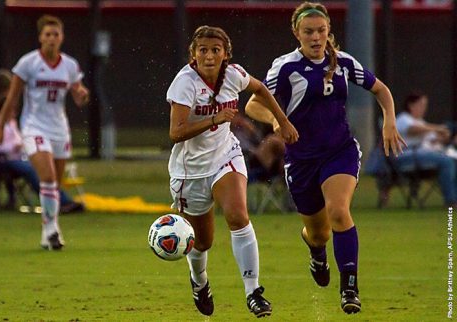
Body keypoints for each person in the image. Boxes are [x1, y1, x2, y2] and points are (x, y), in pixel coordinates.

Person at [245, 2, 405, 314]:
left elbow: (381, 90)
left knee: (338, 211)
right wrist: (276, 120)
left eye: (321, 31)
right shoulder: (285, 67)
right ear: (297, 33)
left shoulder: (343, 62)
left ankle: (349, 287)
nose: (316, 37)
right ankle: (316, 251)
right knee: (318, 232)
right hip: (302, 159)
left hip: (339, 151)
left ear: (329, 30)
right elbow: (253, 104)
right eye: (309, 32)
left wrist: (390, 121)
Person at [166, 25, 298, 317]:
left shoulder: (234, 74)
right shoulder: (184, 83)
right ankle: (199, 282)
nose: (209, 56)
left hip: (226, 157)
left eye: (216, 50)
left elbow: (261, 88)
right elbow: (175, 133)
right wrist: (214, 118)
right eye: (203, 50)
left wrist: (282, 121)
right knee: (202, 242)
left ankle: (253, 292)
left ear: (226, 54)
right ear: (193, 55)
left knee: (238, 216)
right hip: (190, 171)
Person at [0, 15, 89, 250]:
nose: (52, 39)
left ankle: (51, 232)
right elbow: (12, 96)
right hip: (34, 126)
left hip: (59, 129)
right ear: (40, 37)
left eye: (56, 34)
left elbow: (78, 93)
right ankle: (50, 230)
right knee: (47, 177)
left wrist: (81, 94)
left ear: (62, 37)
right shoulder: (28, 63)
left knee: (55, 184)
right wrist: (0, 127)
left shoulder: (69, 65)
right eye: (47, 35)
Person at [0, 95, 85, 212]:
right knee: (31, 170)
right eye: (11, 109)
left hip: (18, 158)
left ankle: (60, 200)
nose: (14, 113)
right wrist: (12, 146)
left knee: (44, 168)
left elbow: (19, 139)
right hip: (0, 160)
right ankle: (58, 202)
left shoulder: (11, 123)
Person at [394, 92, 457, 206]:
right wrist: (438, 128)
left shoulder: (422, 122)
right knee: (446, 161)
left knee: (453, 159)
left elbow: (435, 138)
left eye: (425, 105)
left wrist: (446, 135)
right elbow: (412, 129)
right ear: (411, 105)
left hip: (423, 155)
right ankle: (451, 201)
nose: (424, 108)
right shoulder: (403, 119)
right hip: (407, 157)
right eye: (421, 104)